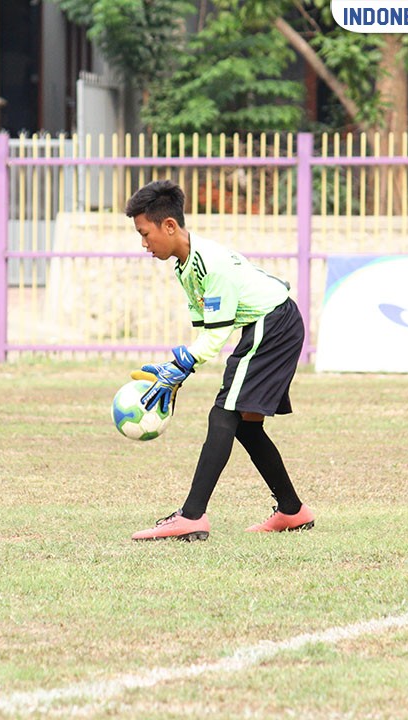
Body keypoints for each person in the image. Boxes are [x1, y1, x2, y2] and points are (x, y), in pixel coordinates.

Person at [125, 179, 314, 542]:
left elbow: (216, 334)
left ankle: (192, 516)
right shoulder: (185, 265)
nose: (144, 244)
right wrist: (178, 372)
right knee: (244, 423)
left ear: (170, 226)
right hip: (271, 324)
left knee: (223, 413)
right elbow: (206, 330)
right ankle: (293, 511)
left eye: (145, 233)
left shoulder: (210, 263)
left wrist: (177, 369)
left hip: (272, 324)